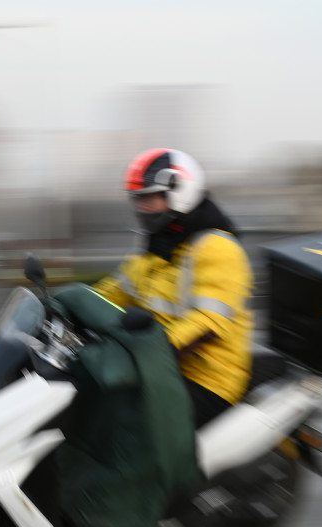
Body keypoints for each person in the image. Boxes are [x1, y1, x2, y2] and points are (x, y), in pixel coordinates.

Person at [93, 149, 253, 427]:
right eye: (138, 200)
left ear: (179, 192)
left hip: (208, 379)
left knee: (126, 426)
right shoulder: (155, 250)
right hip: (161, 371)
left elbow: (207, 322)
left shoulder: (217, 248)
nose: (142, 208)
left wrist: (154, 349)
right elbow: (112, 292)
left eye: (148, 199)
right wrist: (60, 306)